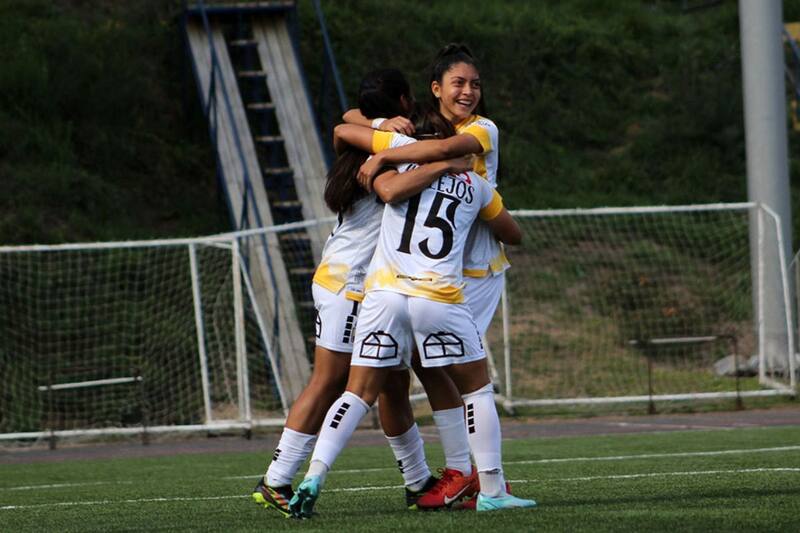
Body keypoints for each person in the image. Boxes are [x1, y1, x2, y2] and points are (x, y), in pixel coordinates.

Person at [288, 106, 536, 518]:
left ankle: (314, 474)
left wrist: (384, 148)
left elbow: (370, 167)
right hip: (436, 295)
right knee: (476, 388)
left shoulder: (388, 176)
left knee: (357, 391)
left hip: (383, 297)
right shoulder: (473, 183)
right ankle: (490, 486)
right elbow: (514, 234)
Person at [252, 69, 471, 516]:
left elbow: (343, 123)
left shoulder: (361, 141)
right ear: (405, 103)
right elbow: (389, 175)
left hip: (353, 280)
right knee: (331, 381)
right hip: (349, 284)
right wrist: (441, 160)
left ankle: (416, 481)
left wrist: (376, 127)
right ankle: (276, 479)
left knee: (394, 383)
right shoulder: (392, 149)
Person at [340, 43, 509, 510]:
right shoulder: (424, 130)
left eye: (475, 84)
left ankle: (471, 475)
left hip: (474, 272)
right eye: (458, 83)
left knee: (452, 371)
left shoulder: (480, 130)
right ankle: (474, 475)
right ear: (436, 89)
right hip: (435, 275)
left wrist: (382, 154)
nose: (469, 91)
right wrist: (381, 126)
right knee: (434, 366)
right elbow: (346, 119)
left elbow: (440, 151)